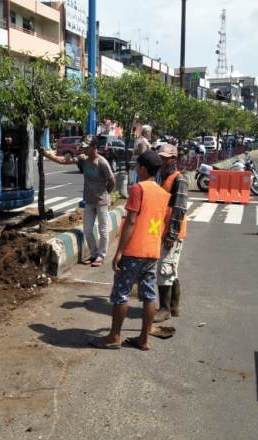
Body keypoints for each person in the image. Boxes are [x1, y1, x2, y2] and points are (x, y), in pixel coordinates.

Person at [89, 151, 170, 351]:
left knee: (121, 293)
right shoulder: (162, 192)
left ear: (143, 168)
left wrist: (119, 253)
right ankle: (144, 338)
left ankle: (114, 336)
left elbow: (131, 221)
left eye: (137, 166)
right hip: (152, 250)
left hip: (134, 249)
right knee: (149, 294)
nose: (135, 169)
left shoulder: (138, 189)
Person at [42, 136, 115, 266]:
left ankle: (101, 255)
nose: (84, 150)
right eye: (83, 147)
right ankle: (93, 254)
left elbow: (111, 180)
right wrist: (47, 155)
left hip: (102, 201)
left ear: (94, 147)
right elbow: (64, 161)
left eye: (87, 147)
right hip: (89, 201)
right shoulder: (83, 159)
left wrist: (106, 194)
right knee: (87, 229)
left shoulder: (102, 162)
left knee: (103, 230)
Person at [154, 144, 188, 323]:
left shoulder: (179, 179)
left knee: (165, 269)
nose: (162, 161)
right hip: (164, 229)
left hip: (172, 233)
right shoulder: (163, 176)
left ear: (174, 159)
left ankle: (165, 309)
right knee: (171, 269)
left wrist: (171, 234)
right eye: (161, 157)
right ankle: (174, 307)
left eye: (166, 158)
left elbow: (179, 208)